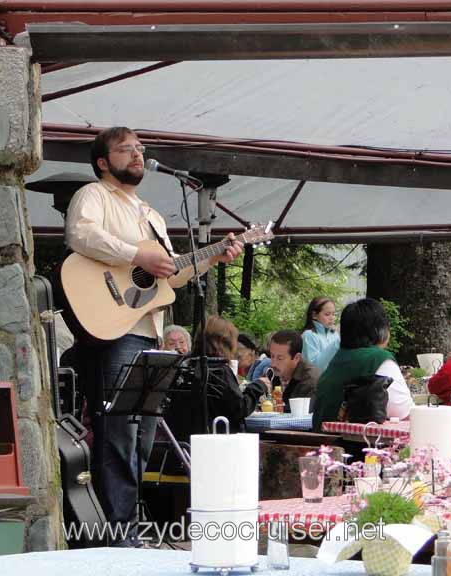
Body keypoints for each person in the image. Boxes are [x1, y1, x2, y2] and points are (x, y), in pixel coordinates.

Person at [62, 127, 242, 546]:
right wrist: (135, 255)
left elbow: (170, 278)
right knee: (119, 434)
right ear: (104, 162)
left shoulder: (152, 217)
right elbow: (81, 235)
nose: (138, 155)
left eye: (140, 149)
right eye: (126, 149)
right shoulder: (94, 195)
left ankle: (125, 532)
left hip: (148, 332)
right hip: (116, 330)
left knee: (143, 436)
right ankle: (117, 540)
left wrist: (214, 255)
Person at [312, 298, 414, 431]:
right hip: (356, 447)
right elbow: (405, 413)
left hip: (320, 445)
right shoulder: (379, 359)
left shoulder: (336, 360)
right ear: (380, 330)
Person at [165, 316, 268, 441]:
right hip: (216, 441)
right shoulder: (219, 370)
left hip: (184, 442)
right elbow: (239, 408)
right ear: (226, 342)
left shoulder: (185, 367)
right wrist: (257, 387)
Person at [264, 330, 321, 412]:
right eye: (272, 356)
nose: (273, 364)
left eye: (280, 358)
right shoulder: (271, 373)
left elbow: (301, 413)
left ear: (296, 358)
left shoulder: (310, 379)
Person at [301, 296, 340, 365]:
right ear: (314, 315)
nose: (332, 318)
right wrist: (336, 343)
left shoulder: (334, 334)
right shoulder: (309, 335)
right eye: (327, 314)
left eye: (333, 314)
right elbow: (314, 366)